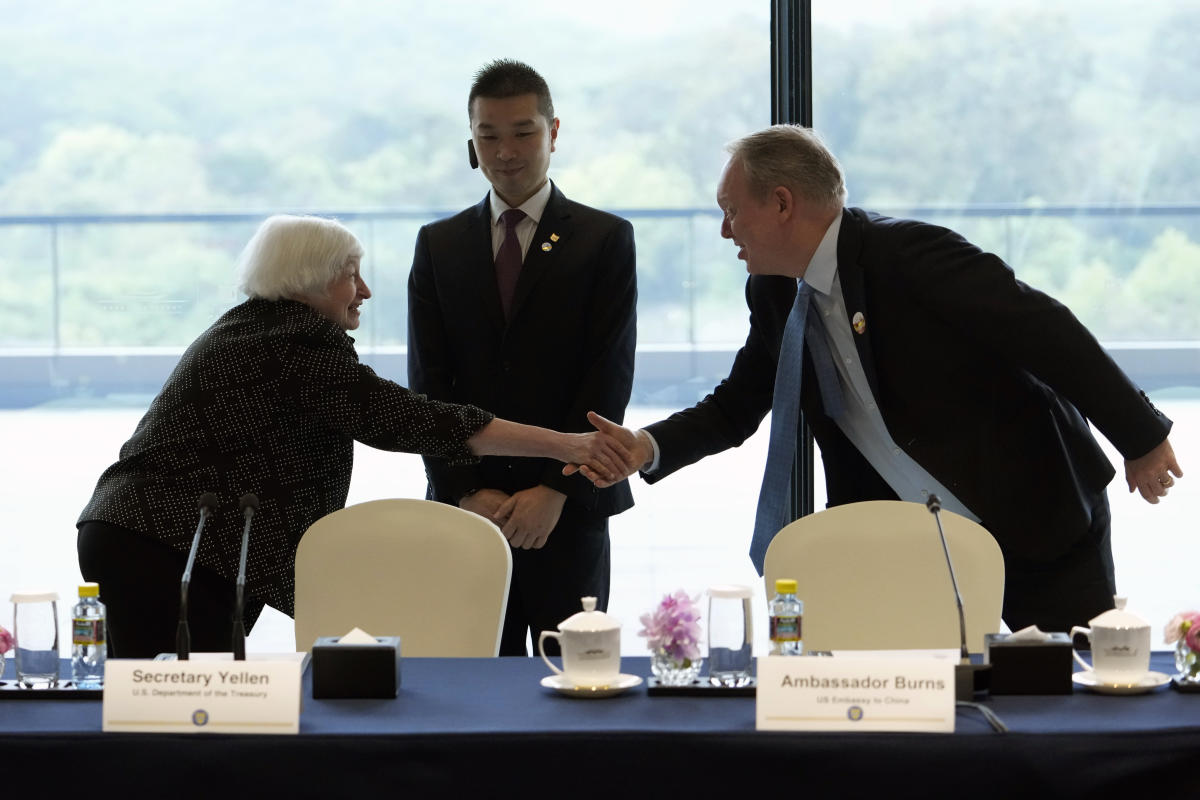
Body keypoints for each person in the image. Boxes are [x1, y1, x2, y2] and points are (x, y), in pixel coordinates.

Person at [582, 125, 1182, 634]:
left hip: (1032, 513)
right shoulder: (773, 292)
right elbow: (737, 403)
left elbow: (1047, 331)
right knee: (918, 712)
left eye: (732, 211)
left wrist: (1141, 437)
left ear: (783, 203)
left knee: (1064, 707)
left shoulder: (910, 255)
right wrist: (646, 446)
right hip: (909, 540)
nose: (723, 231)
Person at [77, 214, 630, 658]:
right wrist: (567, 445)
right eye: (350, 273)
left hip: (156, 537)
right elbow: (416, 420)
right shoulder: (292, 343)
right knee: (183, 716)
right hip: (166, 544)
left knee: (184, 710)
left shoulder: (257, 327)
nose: (363, 290)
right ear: (309, 278)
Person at [407, 60, 637, 655]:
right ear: (471, 142)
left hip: (567, 506)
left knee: (575, 677)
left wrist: (553, 489)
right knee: (472, 679)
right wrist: (462, 489)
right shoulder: (439, 244)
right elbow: (427, 385)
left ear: (554, 133)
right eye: (488, 135)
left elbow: (607, 376)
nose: (506, 151)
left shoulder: (604, 238)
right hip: (469, 507)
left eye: (523, 132)